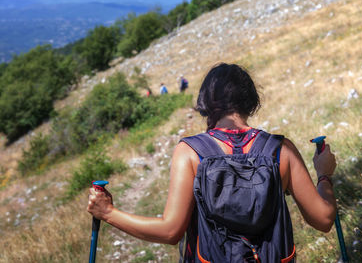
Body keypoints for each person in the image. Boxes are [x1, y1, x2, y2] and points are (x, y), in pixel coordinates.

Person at [87, 63, 337, 262]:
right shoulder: (280, 150)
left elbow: (170, 231)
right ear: (251, 101)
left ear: (205, 104)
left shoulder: (190, 152)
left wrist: (108, 212)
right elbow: (324, 219)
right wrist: (324, 175)